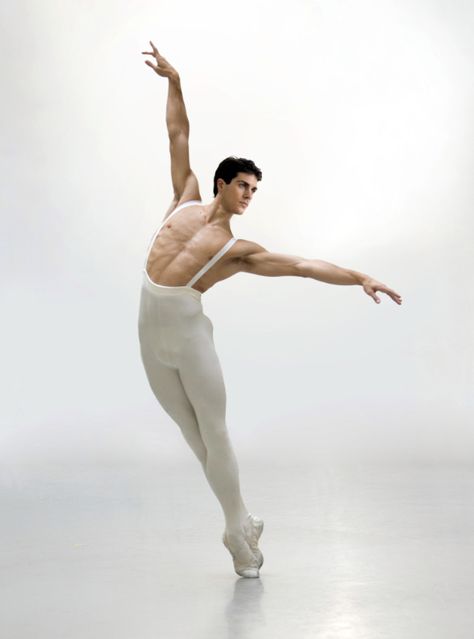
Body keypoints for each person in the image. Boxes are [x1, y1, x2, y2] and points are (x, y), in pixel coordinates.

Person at [138, 41, 403, 579]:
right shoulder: (185, 197)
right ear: (222, 183)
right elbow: (177, 135)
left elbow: (304, 265)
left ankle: (237, 536)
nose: (249, 195)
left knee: (215, 434)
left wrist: (359, 277)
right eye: (243, 185)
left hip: (190, 340)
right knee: (196, 444)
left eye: (255, 190)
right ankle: (242, 523)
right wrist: (175, 81)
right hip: (148, 338)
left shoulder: (238, 251)